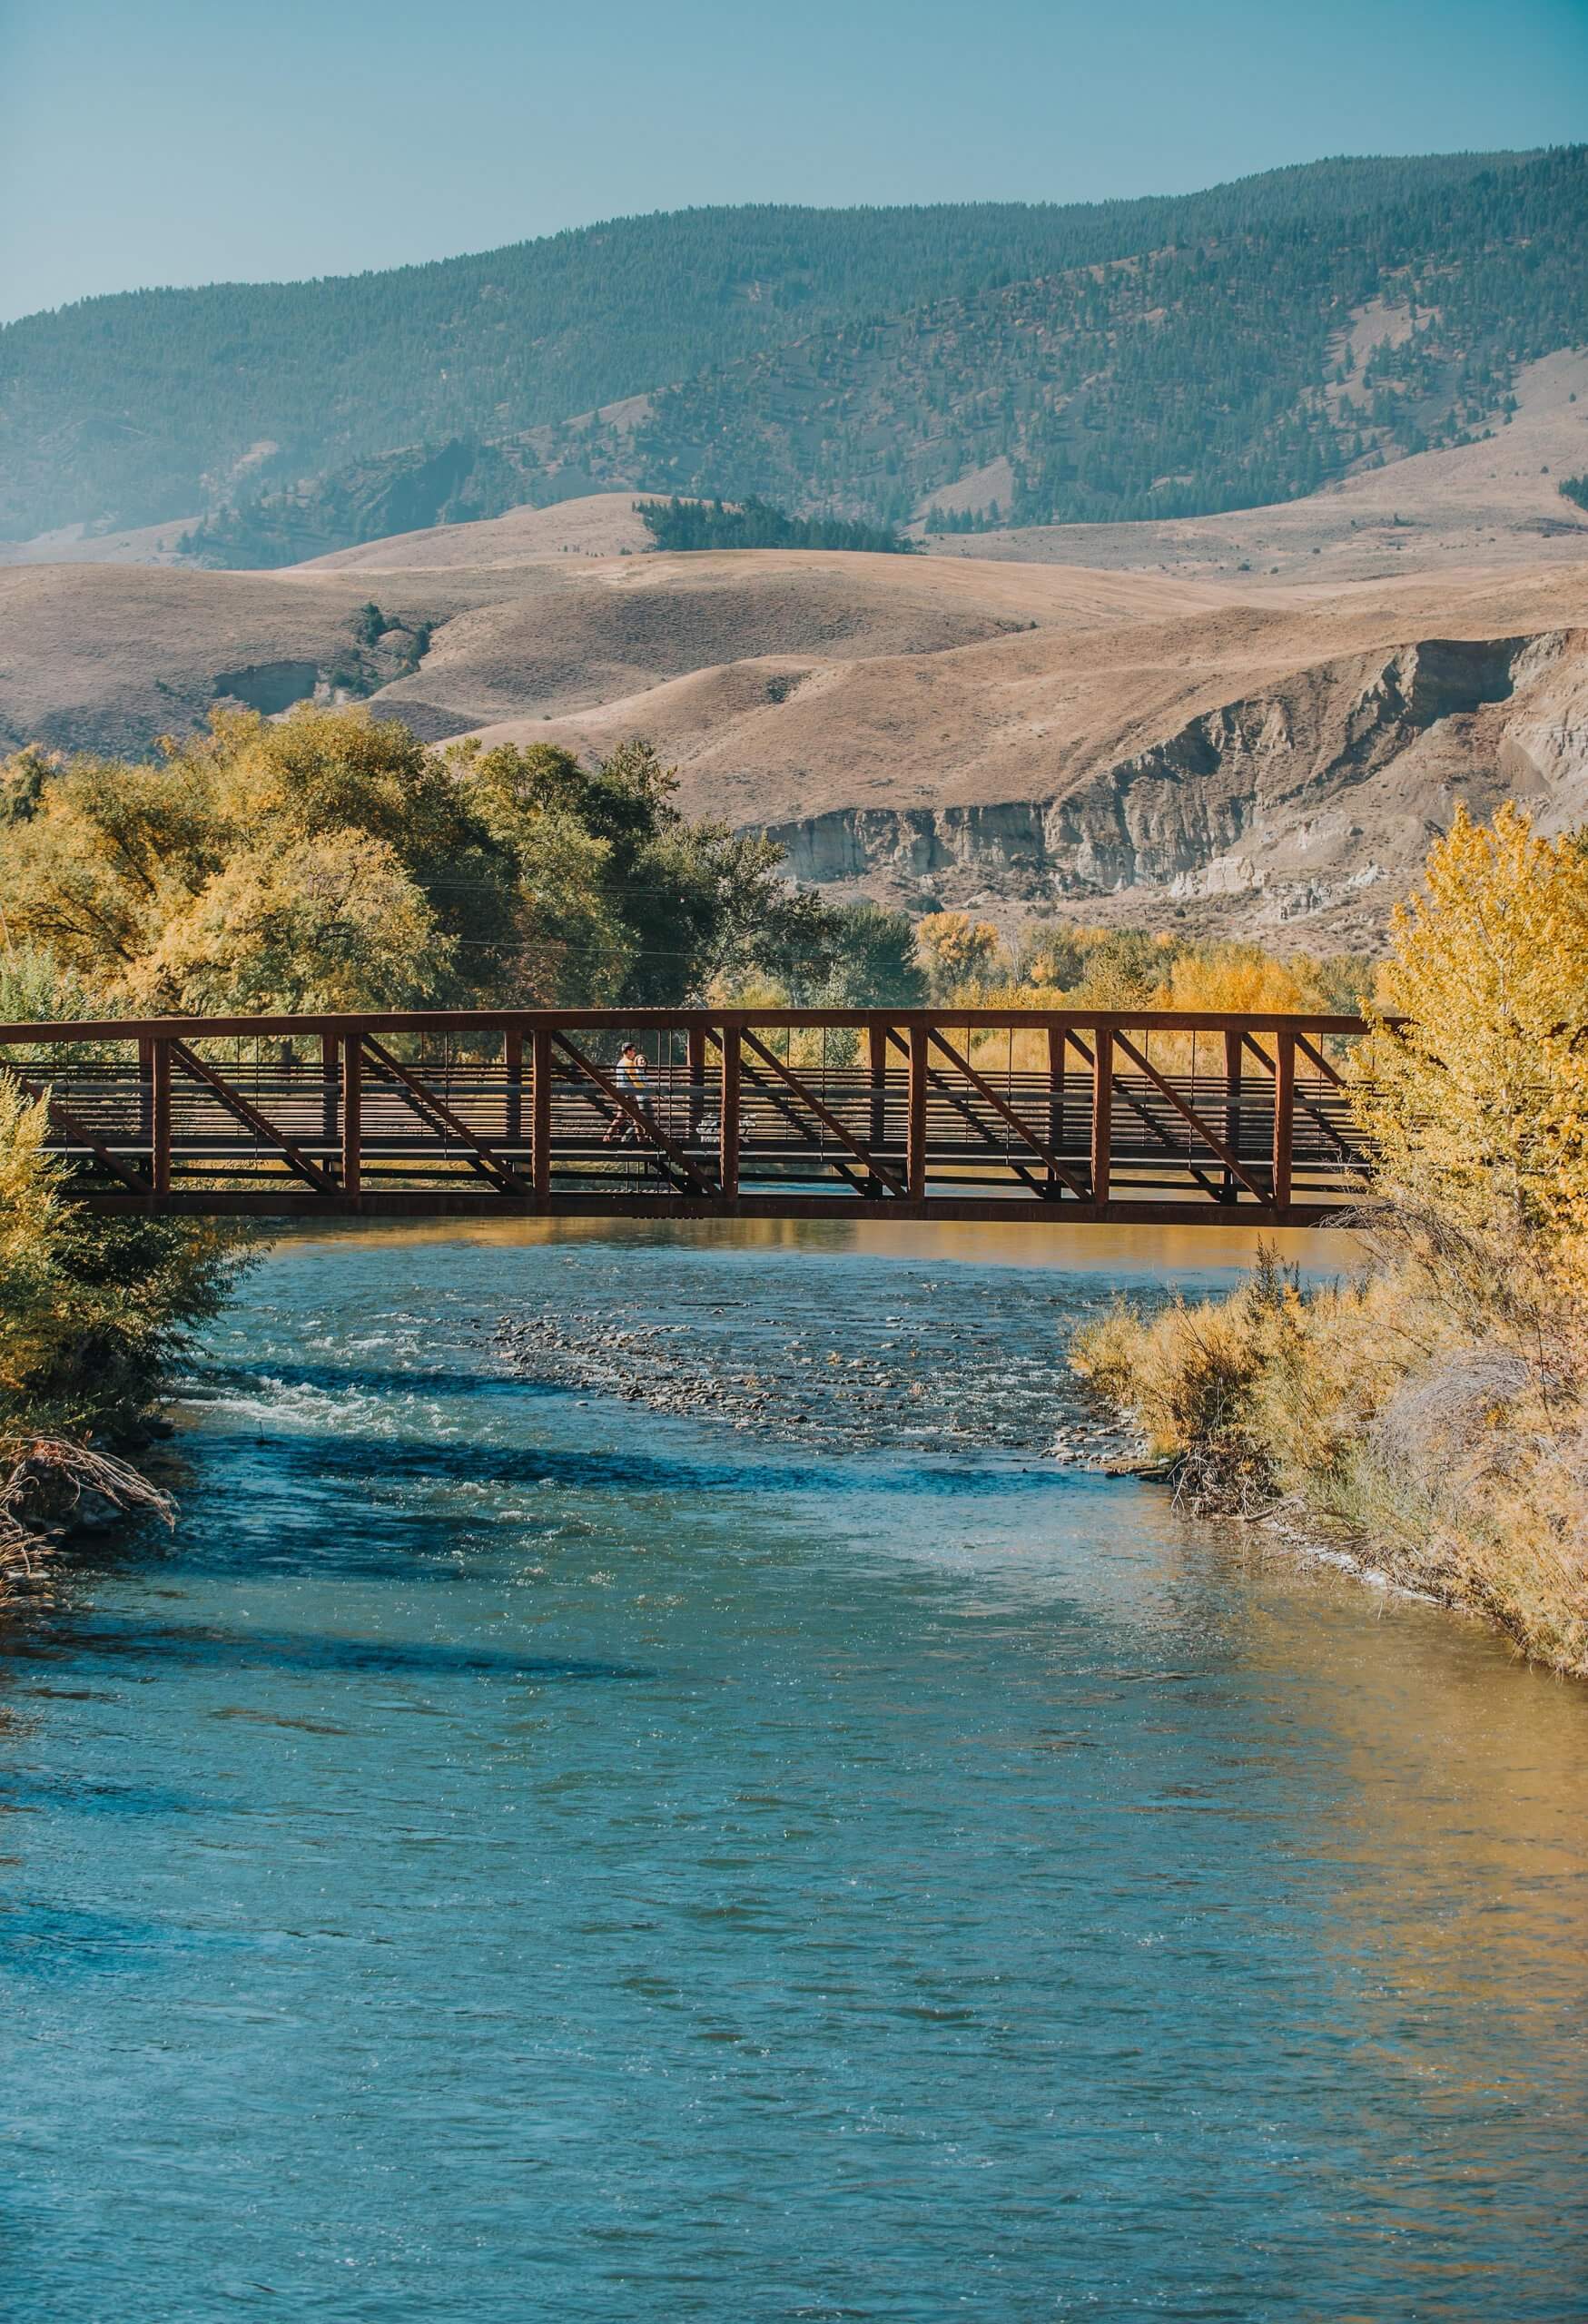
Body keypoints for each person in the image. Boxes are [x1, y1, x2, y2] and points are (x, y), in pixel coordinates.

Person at [604, 1041, 650, 1145]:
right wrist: (647, 1090)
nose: (634, 1053)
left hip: (622, 1094)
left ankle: (607, 1139)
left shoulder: (620, 1063)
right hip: (629, 1095)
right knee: (638, 1118)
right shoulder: (629, 1063)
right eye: (633, 1051)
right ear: (628, 1051)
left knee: (623, 1118)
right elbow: (635, 1080)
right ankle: (641, 1141)